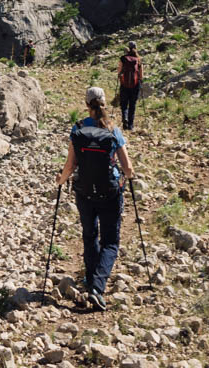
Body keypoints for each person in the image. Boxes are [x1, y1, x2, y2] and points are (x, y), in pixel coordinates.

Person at [55, 85, 134, 310]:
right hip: (110, 192)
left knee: (89, 236)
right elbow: (127, 168)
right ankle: (97, 288)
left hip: (84, 192)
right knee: (110, 241)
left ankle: (91, 281)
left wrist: (61, 181)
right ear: (104, 103)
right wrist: (130, 176)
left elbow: (70, 166)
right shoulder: (113, 129)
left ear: (86, 104)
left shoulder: (78, 128)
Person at [117, 40, 142, 131]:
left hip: (124, 84)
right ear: (136, 48)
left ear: (128, 48)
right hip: (135, 85)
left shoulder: (123, 58)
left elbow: (119, 71)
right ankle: (130, 125)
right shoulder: (138, 59)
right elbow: (141, 74)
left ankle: (125, 120)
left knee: (124, 104)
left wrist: (120, 79)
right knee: (132, 104)